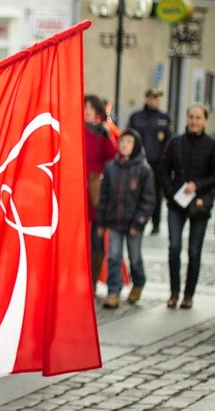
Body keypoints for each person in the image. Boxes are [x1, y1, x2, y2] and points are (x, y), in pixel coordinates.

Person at [158, 104, 215, 309]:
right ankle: (174, 292)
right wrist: (170, 193)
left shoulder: (211, 144)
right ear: (186, 118)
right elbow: (163, 170)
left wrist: (198, 186)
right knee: (174, 247)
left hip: (200, 204)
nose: (194, 121)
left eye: (198, 117)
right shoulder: (175, 142)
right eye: (191, 117)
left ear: (205, 121)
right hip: (176, 204)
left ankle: (188, 295)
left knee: (194, 250)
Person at [95, 129, 155, 309]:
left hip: (133, 223)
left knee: (134, 257)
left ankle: (138, 282)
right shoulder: (111, 168)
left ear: (135, 145)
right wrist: (101, 222)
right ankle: (114, 291)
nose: (124, 145)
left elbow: (149, 199)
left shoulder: (143, 169)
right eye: (122, 142)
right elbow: (104, 197)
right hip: (114, 221)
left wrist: (140, 221)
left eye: (129, 142)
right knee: (113, 256)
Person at [84, 94, 118, 291]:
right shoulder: (74, 129)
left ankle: (92, 282)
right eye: (84, 107)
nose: (87, 110)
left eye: (90, 107)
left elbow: (113, 158)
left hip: (95, 190)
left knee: (97, 239)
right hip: (74, 191)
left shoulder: (103, 132)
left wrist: (107, 136)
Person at [128, 88, 173, 235]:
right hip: (138, 162)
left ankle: (156, 224)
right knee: (135, 191)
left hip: (157, 163)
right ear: (147, 98)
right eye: (153, 98)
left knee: (155, 195)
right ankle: (135, 221)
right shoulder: (136, 116)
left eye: (158, 98)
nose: (156, 101)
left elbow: (169, 141)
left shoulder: (164, 117)